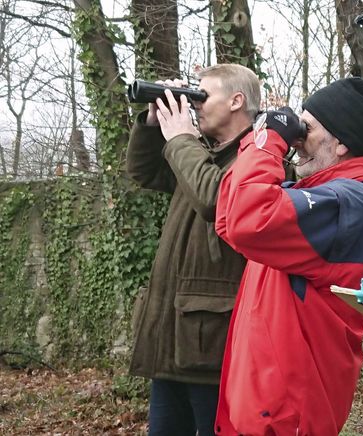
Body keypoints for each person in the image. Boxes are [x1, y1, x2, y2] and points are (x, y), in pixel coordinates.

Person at [212, 77, 363, 435]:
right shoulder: (327, 193)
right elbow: (228, 217)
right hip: (267, 407)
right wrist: (258, 140)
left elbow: (247, 219)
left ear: (341, 142)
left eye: (306, 128)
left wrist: (269, 142)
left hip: (287, 415)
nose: (297, 139)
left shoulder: (347, 203)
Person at [127, 63, 262, 436]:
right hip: (172, 339)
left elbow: (217, 201)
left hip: (214, 347)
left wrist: (180, 138)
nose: (195, 106)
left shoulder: (258, 158)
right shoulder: (205, 154)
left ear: (236, 101)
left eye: (202, 96)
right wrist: (154, 126)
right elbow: (143, 172)